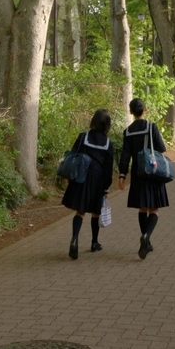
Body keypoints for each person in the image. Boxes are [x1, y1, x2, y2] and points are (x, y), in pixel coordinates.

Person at [118, 97, 169, 259]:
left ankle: (146, 241)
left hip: (137, 173)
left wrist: (122, 174)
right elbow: (161, 148)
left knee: (142, 208)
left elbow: (125, 155)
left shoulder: (128, 132)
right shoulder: (151, 127)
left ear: (131, 111)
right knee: (154, 209)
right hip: (152, 171)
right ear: (144, 109)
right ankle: (146, 236)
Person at [61, 108, 114, 260]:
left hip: (82, 175)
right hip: (98, 178)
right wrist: (106, 187)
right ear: (107, 124)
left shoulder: (83, 136)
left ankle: (74, 239)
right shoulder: (108, 143)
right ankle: (94, 242)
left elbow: (73, 154)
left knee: (80, 211)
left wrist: (71, 175)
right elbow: (108, 167)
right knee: (96, 212)